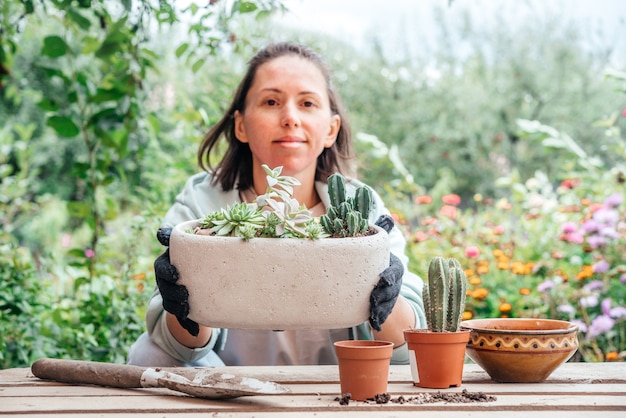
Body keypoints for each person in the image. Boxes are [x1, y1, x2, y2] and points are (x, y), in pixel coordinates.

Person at [127, 42, 426, 368]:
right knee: (148, 353)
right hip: (230, 390)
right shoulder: (202, 202)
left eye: (308, 103)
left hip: (341, 388)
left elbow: (407, 343)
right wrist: (185, 304)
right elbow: (178, 346)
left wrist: (386, 291)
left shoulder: (359, 207)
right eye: (271, 101)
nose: (290, 118)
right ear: (240, 125)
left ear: (331, 129)